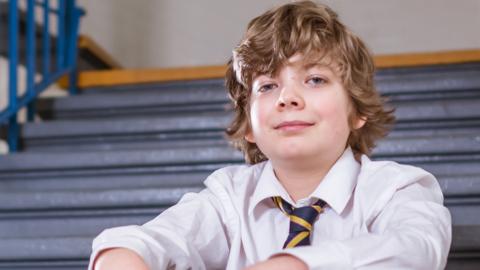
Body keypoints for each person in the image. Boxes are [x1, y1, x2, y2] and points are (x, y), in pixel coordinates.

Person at [89, 1, 452, 269]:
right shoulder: (229, 198)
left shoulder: (398, 188)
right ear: (248, 125)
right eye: (267, 86)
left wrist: (297, 264)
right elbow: (162, 238)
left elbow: (417, 249)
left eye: (315, 80)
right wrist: (123, 255)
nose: (288, 97)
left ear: (357, 111)